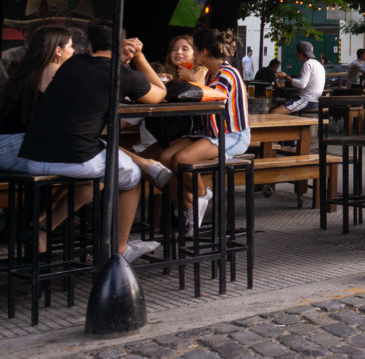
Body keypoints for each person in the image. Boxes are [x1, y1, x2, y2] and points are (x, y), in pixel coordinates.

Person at [19, 24, 167, 263]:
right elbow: (159, 94)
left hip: (34, 157)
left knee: (94, 179)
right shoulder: (119, 73)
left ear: (89, 45)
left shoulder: (71, 64)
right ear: (121, 45)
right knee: (131, 176)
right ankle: (119, 250)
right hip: (76, 157)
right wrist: (139, 55)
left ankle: (42, 228)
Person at [156, 29, 250, 237]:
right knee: (163, 158)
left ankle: (201, 195)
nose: (192, 56)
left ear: (203, 53)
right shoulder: (211, 73)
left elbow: (215, 98)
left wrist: (191, 80)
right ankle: (186, 202)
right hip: (209, 132)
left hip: (232, 135)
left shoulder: (227, 73)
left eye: (194, 50)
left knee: (181, 159)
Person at [0, 26, 75, 173]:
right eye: (71, 46)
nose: (74, 51)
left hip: (8, 147)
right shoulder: (53, 69)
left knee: (86, 177)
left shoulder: (23, 69)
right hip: (18, 148)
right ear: (58, 51)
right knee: (96, 167)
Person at [271, 41, 325, 115]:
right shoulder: (318, 64)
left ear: (302, 53)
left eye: (297, 52)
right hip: (315, 101)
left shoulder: (307, 64)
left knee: (274, 112)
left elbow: (302, 84)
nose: (296, 54)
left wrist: (286, 77)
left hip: (306, 100)